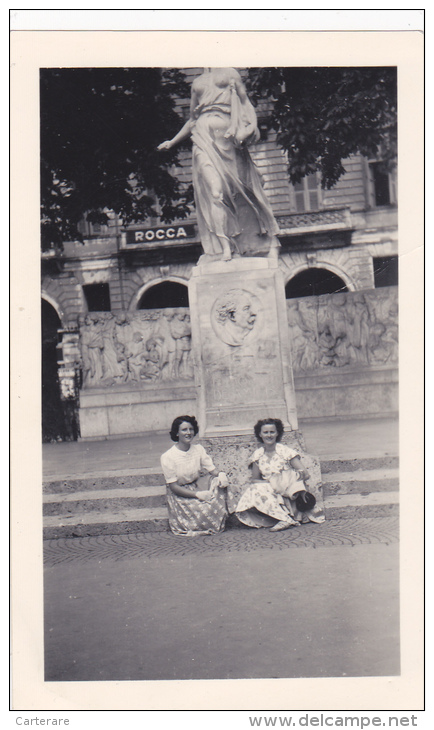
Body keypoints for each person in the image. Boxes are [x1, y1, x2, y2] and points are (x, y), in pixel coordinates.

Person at [157, 67, 280, 261]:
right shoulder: (197, 83)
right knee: (216, 192)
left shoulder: (231, 74)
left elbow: (244, 101)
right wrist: (172, 142)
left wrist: (252, 125)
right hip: (203, 139)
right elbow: (192, 119)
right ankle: (225, 246)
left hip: (229, 139)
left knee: (243, 190)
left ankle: (262, 240)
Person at [235, 418, 325, 531]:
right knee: (255, 489)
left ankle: (285, 519)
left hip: (287, 491)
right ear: (260, 434)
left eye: (272, 432)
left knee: (263, 489)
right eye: (265, 432)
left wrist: (284, 480)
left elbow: (305, 474)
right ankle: (282, 518)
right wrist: (272, 483)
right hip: (271, 490)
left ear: (277, 433)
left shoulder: (285, 452)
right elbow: (255, 479)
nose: (269, 435)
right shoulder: (258, 455)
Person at [160, 415, 229, 536]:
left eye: (191, 429)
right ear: (176, 433)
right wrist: (197, 495)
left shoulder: (198, 449)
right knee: (201, 509)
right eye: (184, 430)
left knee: (219, 484)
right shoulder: (168, 457)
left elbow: (212, 470)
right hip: (181, 494)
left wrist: (221, 475)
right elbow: (174, 487)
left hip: (197, 485)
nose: (188, 433)